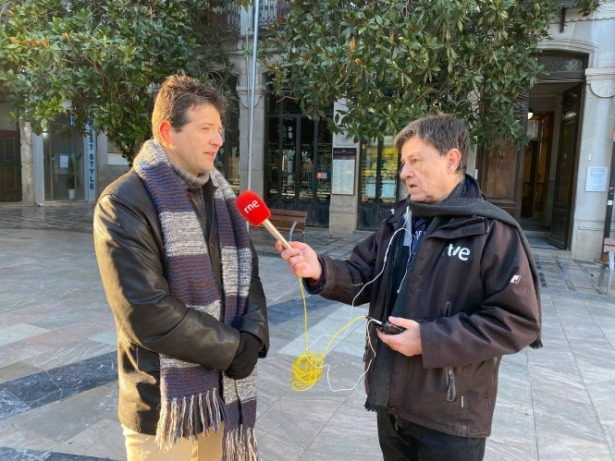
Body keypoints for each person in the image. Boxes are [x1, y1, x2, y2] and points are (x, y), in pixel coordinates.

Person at [277, 115, 541, 461]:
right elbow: (363, 275)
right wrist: (320, 269)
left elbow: (518, 321)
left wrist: (430, 340)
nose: (404, 173)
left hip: (450, 414)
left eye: (415, 161)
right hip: (391, 401)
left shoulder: (492, 231)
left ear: (452, 160)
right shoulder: (399, 220)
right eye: (404, 162)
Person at [94, 75, 269, 461]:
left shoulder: (223, 198)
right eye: (205, 128)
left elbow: (248, 276)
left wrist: (254, 336)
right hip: (164, 405)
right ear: (167, 133)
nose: (218, 140)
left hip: (220, 394)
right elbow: (145, 310)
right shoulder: (123, 202)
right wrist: (233, 349)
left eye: (220, 130)